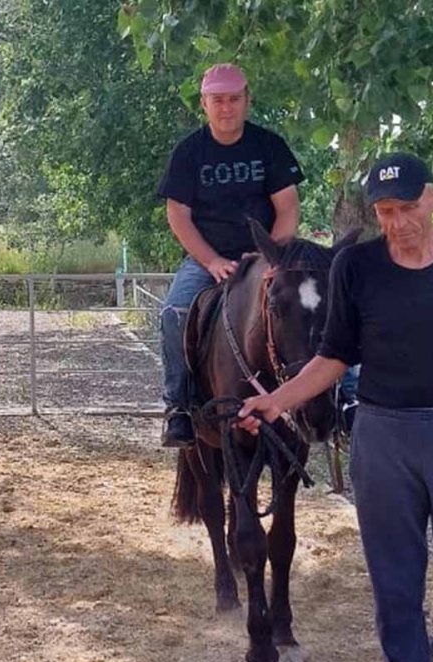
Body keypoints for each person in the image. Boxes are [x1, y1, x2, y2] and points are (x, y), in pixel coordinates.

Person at [237, 153, 433, 662]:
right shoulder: (356, 267)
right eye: (384, 211)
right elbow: (333, 355)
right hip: (384, 439)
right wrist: (274, 401)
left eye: (407, 207)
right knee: (397, 590)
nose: (398, 223)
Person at [156, 62, 305, 447]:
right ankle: (179, 407)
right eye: (217, 100)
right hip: (209, 259)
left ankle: (337, 399)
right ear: (204, 104)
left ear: (247, 101)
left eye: (234, 100)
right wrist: (211, 261)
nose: (226, 108)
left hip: (267, 255)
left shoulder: (268, 145)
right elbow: (178, 215)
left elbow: (288, 207)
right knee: (174, 314)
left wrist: (269, 257)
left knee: (320, 304)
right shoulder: (189, 152)